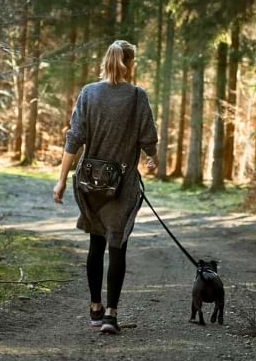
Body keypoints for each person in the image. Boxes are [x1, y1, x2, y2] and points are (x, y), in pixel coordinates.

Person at [53, 40, 158, 334]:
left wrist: (61, 179)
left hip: (89, 182)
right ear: (131, 63)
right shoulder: (137, 97)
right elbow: (148, 138)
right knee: (117, 246)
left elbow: (74, 138)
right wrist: (154, 160)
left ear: (107, 60)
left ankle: (95, 308)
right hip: (122, 184)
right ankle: (111, 315)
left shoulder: (88, 93)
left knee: (95, 243)